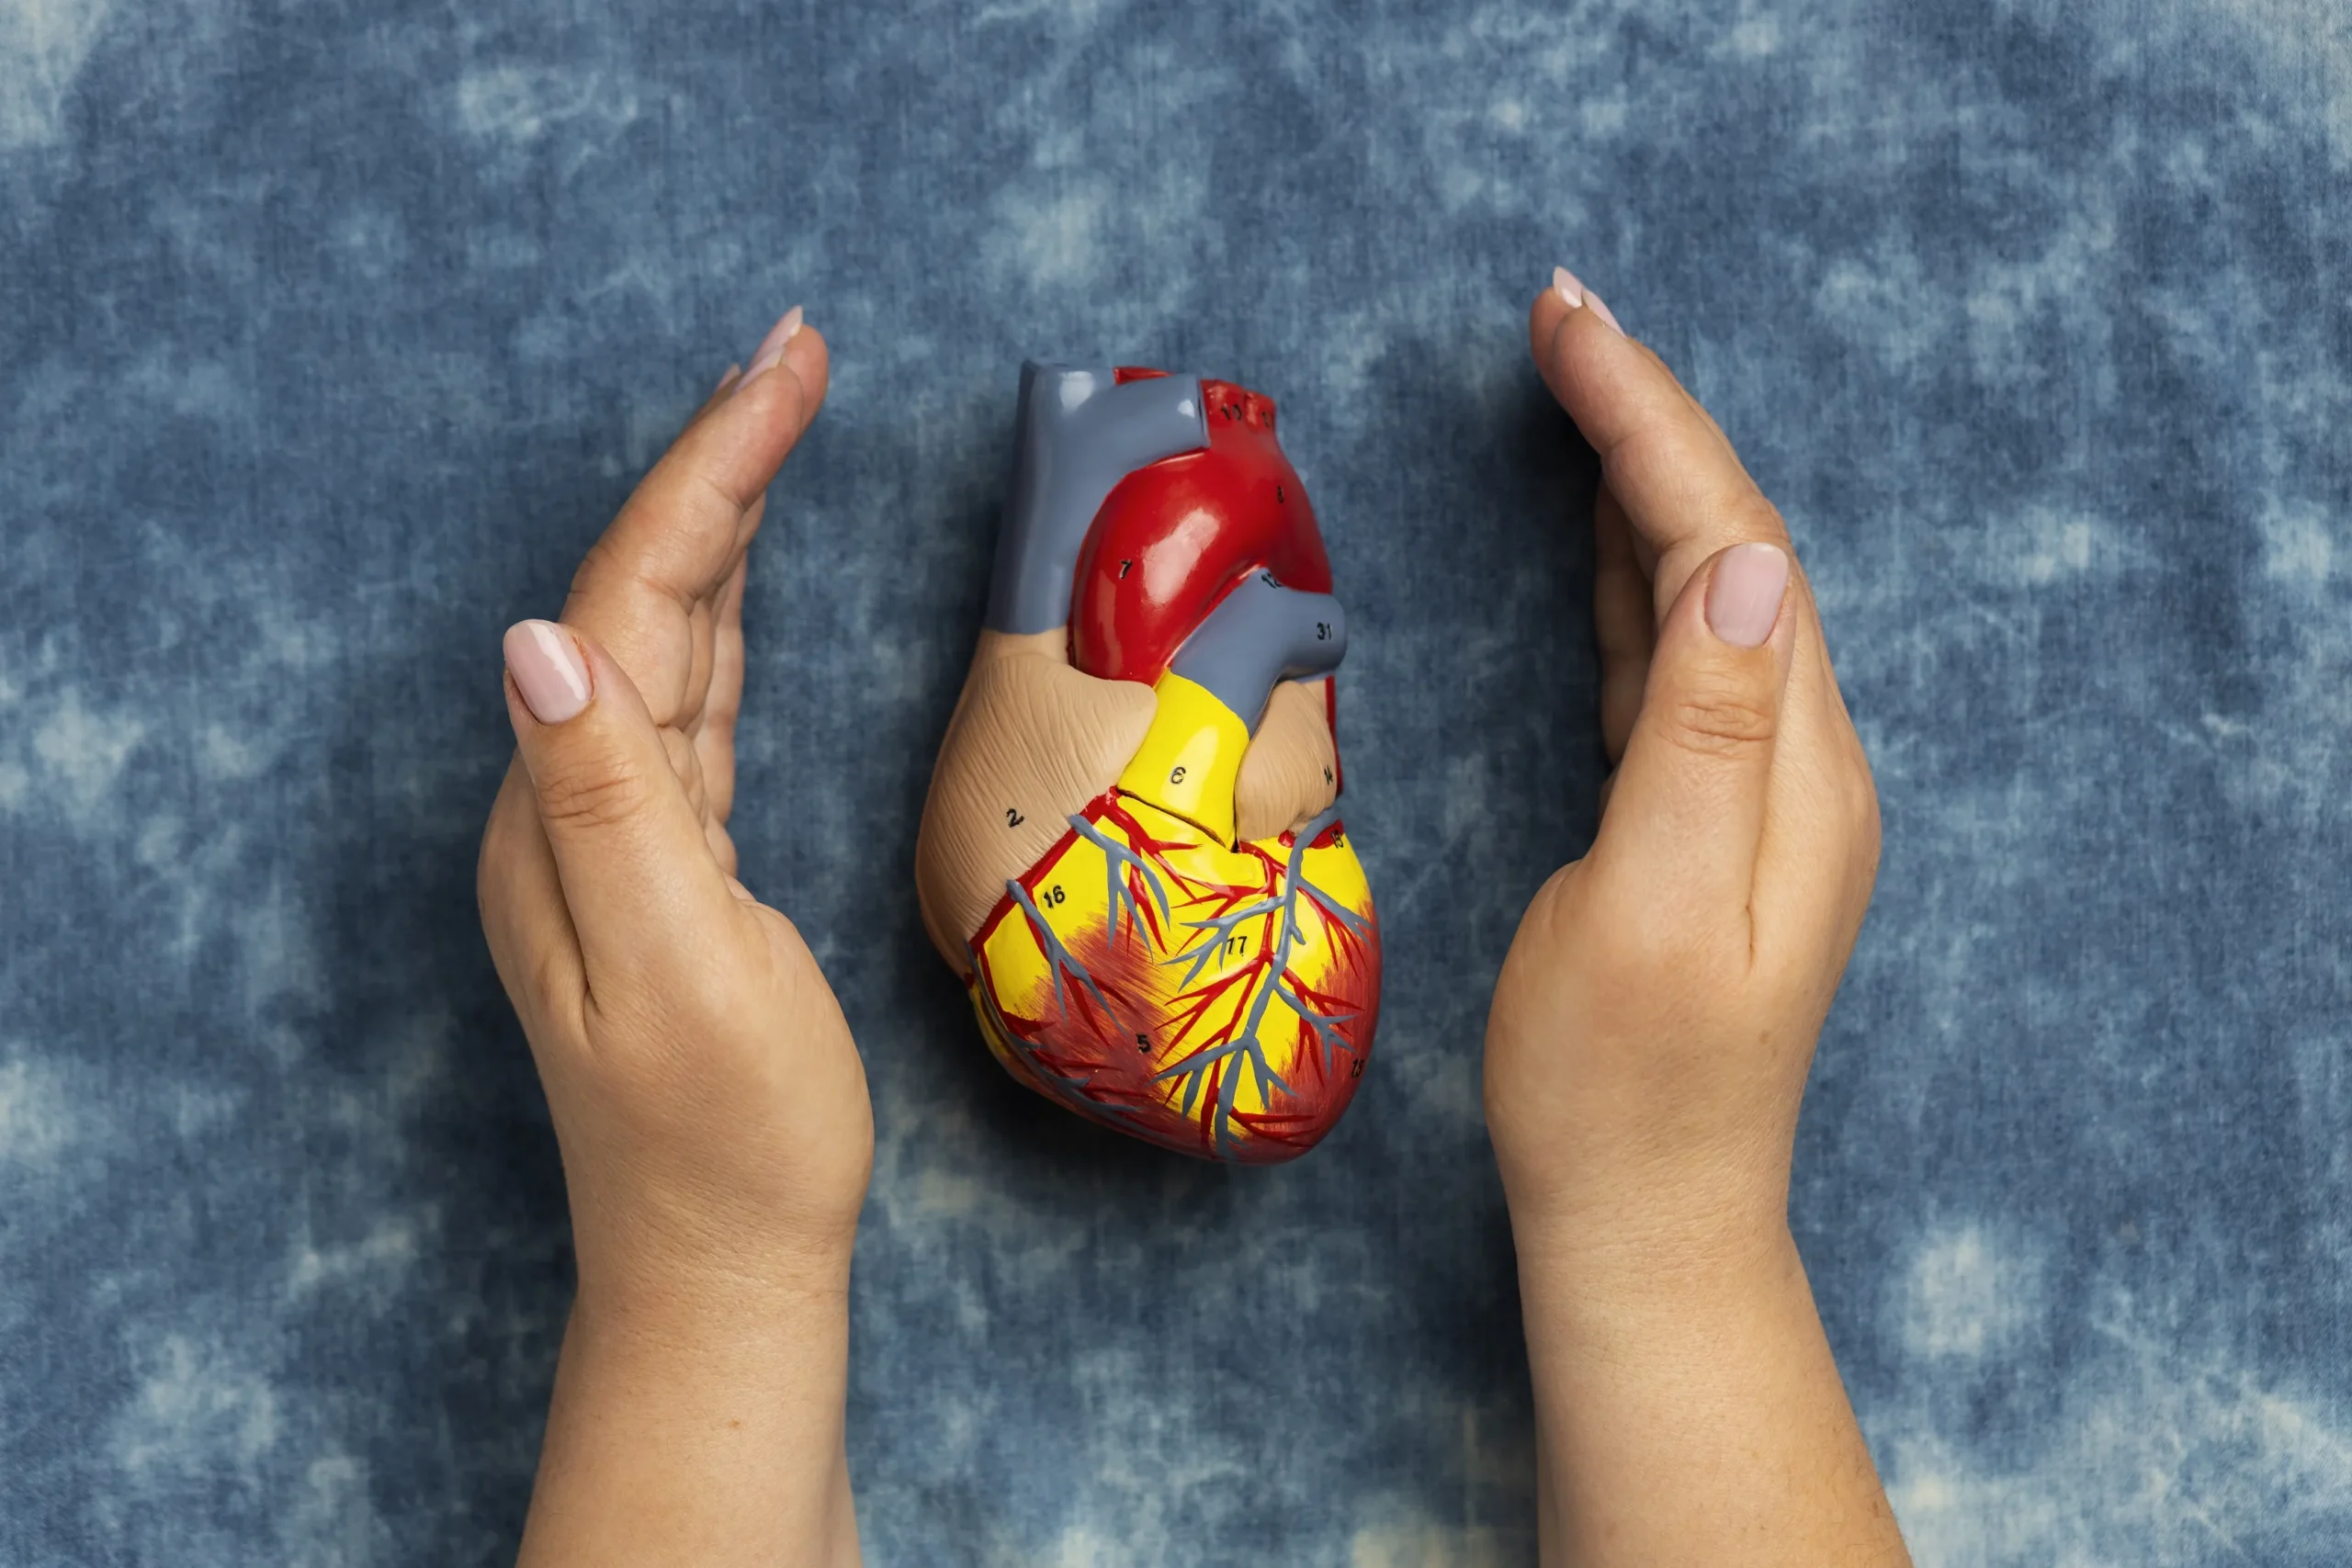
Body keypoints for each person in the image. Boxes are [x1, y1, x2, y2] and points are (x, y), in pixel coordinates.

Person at [474, 276, 1906, 1566]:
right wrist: (1669, 1226)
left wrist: (706, 1271)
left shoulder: (1162, 893)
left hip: (1145, 940)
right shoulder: (1199, 893)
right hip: (1158, 938)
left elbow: (1203, 750)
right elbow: (1207, 737)